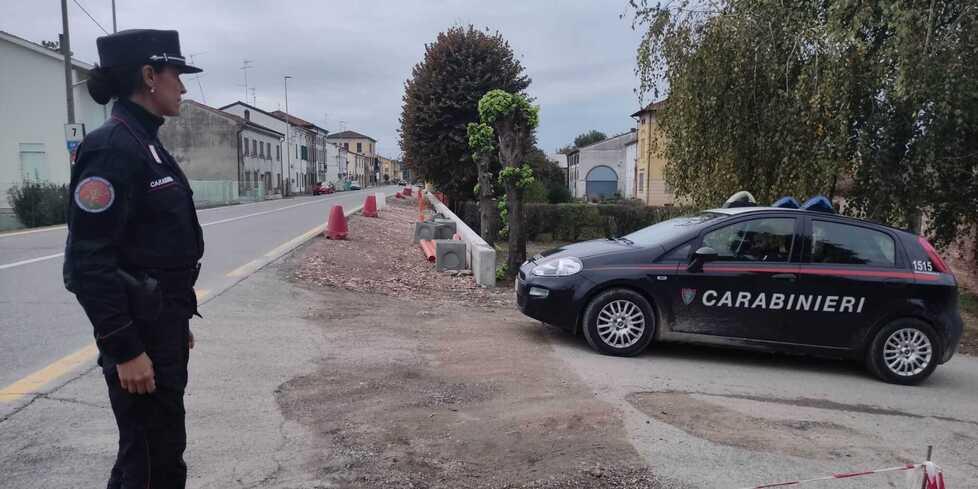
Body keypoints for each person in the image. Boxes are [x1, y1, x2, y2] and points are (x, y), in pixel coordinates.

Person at [63, 29, 204, 489]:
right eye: (176, 74)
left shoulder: (145, 142)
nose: (182, 87)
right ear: (149, 75)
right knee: (151, 464)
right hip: (138, 339)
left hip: (160, 328)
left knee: (153, 456)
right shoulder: (112, 147)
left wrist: (177, 324)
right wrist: (125, 349)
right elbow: (88, 262)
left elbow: (152, 250)